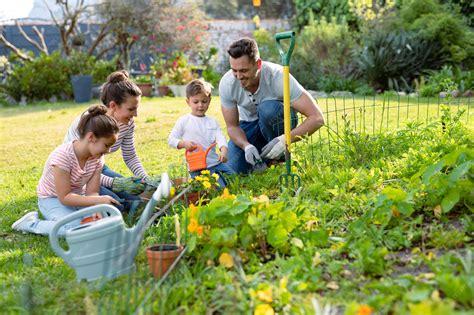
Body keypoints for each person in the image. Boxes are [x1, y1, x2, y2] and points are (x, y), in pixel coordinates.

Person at [219, 37, 325, 174]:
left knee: (268, 109)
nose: (238, 76)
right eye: (234, 70)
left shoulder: (279, 77)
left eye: (244, 71)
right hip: (249, 125)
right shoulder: (227, 84)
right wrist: (246, 146)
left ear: (258, 64)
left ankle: (279, 159)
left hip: (276, 121)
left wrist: (285, 140)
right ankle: (261, 156)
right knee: (230, 170)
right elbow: (232, 126)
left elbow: (317, 118)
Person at [11, 105, 120, 235]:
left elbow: (92, 193)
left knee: (105, 221)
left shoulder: (97, 158)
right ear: (91, 137)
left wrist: (96, 208)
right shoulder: (63, 156)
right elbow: (64, 197)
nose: (109, 151)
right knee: (73, 229)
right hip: (52, 199)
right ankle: (30, 223)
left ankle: (82, 219)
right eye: (106, 145)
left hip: (78, 197)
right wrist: (98, 201)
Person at [64, 70, 149, 211]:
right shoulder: (89, 121)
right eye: (131, 109)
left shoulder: (127, 123)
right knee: (117, 205)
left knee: (138, 198)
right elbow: (83, 170)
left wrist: (145, 179)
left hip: (97, 168)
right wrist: (115, 183)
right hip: (76, 174)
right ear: (113, 106)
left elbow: (130, 155)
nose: (136, 114)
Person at [168, 79, 235, 188]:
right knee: (218, 188)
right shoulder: (184, 121)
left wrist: (224, 150)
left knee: (234, 178)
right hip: (197, 167)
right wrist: (183, 144)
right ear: (188, 102)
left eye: (204, 101)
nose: (200, 105)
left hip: (215, 163)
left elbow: (220, 138)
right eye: (195, 102)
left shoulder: (212, 121)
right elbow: (171, 139)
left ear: (209, 101)